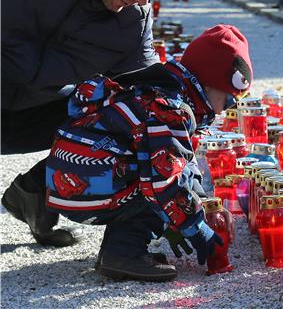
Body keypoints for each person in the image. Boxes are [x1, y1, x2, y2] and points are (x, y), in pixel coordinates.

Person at [1, 0, 173, 247]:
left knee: (139, 116)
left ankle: (35, 189)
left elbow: (150, 93)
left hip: (36, 113)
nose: (143, 1)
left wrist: (198, 94)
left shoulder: (131, 24)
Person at [45, 24, 253, 281]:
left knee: (156, 178)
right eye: (228, 99)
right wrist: (197, 229)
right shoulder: (171, 110)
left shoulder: (159, 85)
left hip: (61, 181)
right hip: (86, 188)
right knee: (159, 188)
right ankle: (122, 253)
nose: (223, 111)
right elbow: (165, 181)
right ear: (208, 85)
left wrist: (200, 199)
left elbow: (182, 161)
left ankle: (118, 245)